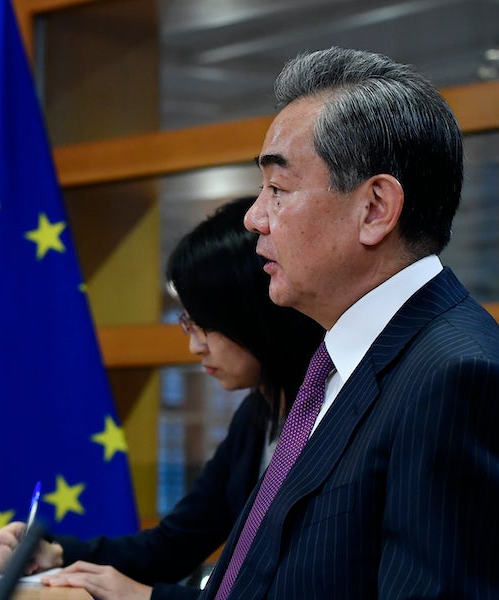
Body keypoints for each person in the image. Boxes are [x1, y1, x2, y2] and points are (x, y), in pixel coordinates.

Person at [200, 47, 499, 599]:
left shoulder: (455, 377)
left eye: (278, 190)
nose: (253, 217)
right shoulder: (340, 362)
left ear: (375, 209)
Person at [0, 196, 324, 600]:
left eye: (203, 324)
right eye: (188, 323)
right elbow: (172, 545)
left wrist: (145, 597)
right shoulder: (258, 414)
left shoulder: (325, 413)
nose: (195, 347)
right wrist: (55, 552)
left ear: (253, 315)